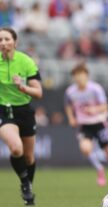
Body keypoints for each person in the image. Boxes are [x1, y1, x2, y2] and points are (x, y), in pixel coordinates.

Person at [64, 63, 108, 189]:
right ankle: (99, 169)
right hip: (84, 125)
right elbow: (68, 105)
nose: (79, 78)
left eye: (81, 75)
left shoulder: (95, 89)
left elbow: (105, 106)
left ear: (86, 76)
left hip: (99, 123)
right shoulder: (70, 91)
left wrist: (94, 109)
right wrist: (71, 118)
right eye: (76, 76)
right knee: (85, 149)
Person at [0, 27, 42, 205]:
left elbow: (38, 92)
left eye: (7, 39)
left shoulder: (26, 62)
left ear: (15, 42)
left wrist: (23, 87)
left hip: (24, 110)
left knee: (29, 157)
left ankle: (28, 190)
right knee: (16, 148)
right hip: (3, 110)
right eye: (0, 40)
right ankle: (25, 184)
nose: (3, 43)